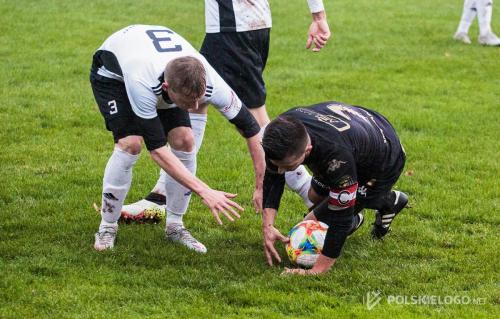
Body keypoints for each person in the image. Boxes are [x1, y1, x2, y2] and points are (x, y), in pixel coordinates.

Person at [122, 0, 332, 232]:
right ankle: (162, 195)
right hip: (250, 26)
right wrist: (318, 15)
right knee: (195, 101)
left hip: (232, 29)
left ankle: (315, 199)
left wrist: (318, 16)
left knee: (254, 119)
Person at [90, 24, 265, 252]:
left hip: (159, 67)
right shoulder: (143, 81)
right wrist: (205, 191)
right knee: (130, 144)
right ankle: (107, 226)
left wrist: (261, 185)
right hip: (113, 75)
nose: (194, 107)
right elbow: (158, 151)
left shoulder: (211, 82)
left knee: (185, 140)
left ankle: (175, 226)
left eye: (198, 99)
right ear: (167, 87)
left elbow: (252, 130)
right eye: (187, 102)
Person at [260, 101, 409, 275]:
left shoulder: (336, 159)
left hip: (383, 159)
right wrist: (268, 226)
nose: (280, 171)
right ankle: (357, 214)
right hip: (354, 135)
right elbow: (273, 175)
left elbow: (341, 216)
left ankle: (387, 201)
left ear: (307, 150)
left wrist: (317, 270)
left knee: (332, 215)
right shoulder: (281, 131)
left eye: (288, 166)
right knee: (315, 196)